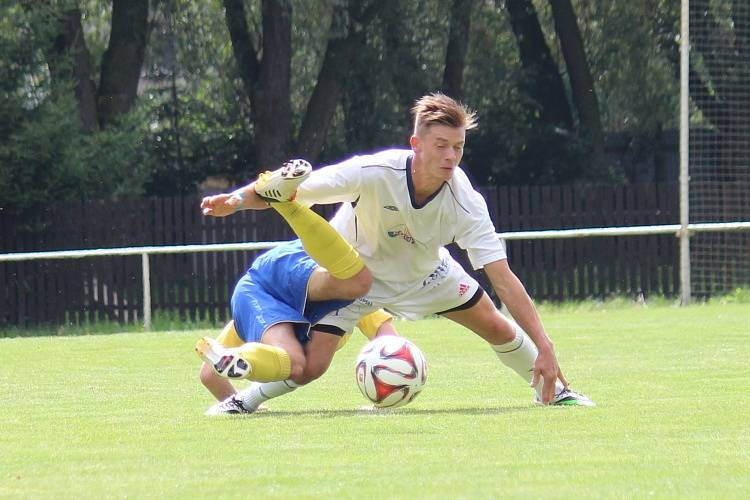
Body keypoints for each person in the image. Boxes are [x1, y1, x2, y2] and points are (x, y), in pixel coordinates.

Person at [205, 93, 594, 409]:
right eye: (440, 145)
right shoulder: (374, 172)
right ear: (415, 143)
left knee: (494, 324)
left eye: (457, 147)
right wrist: (235, 201)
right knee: (310, 368)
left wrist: (545, 345)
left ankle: (556, 392)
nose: (450, 157)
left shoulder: (466, 202)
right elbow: (287, 190)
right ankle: (244, 402)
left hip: (429, 278)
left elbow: (504, 280)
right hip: (358, 285)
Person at [196, 159, 396, 415]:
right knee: (354, 284)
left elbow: (209, 374)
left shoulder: (357, 297)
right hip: (270, 279)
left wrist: (242, 403)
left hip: (286, 276)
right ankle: (284, 201)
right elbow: (391, 344)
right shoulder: (358, 293)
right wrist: (391, 389)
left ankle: (244, 361)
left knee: (296, 364)